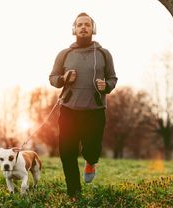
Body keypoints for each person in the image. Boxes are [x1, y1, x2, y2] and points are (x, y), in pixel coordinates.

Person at [49, 12, 117, 197]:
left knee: (92, 150)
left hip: (95, 111)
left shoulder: (104, 53)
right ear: (74, 29)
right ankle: (74, 192)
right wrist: (64, 78)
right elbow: (53, 78)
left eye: (87, 24)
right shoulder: (65, 54)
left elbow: (112, 77)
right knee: (67, 153)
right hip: (69, 111)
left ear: (93, 29)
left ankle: (91, 161)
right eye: (80, 25)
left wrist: (107, 86)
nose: (83, 27)